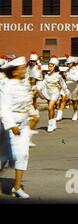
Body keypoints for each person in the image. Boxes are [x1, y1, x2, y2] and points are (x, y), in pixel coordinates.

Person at [0, 57, 39, 198]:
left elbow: (27, 102)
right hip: (9, 126)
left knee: (22, 155)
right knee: (4, 159)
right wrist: (11, 126)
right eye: (21, 68)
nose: (24, 70)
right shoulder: (7, 86)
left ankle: (16, 187)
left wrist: (33, 114)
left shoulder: (23, 84)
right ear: (15, 72)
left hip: (23, 124)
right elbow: (4, 108)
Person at [41, 56, 68, 132]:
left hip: (55, 92)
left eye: (51, 66)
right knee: (51, 109)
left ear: (55, 67)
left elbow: (63, 85)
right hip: (48, 92)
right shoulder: (46, 76)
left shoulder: (58, 76)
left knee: (50, 107)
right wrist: (37, 89)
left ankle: (50, 125)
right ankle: (53, 123)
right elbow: (43, 84)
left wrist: (66, 93)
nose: (49, 68)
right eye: (49, 66)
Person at [65, 57, 78, 121]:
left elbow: (75, 78)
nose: (68, 64)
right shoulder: (67, 70)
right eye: (67, 63)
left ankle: (75, 113)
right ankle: (59, 114)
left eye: (69, 63)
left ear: (72, 63)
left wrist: (68, 77)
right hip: (67, 86)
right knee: (64, 98)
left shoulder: (76, 70)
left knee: (74, 101)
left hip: (74, 86)